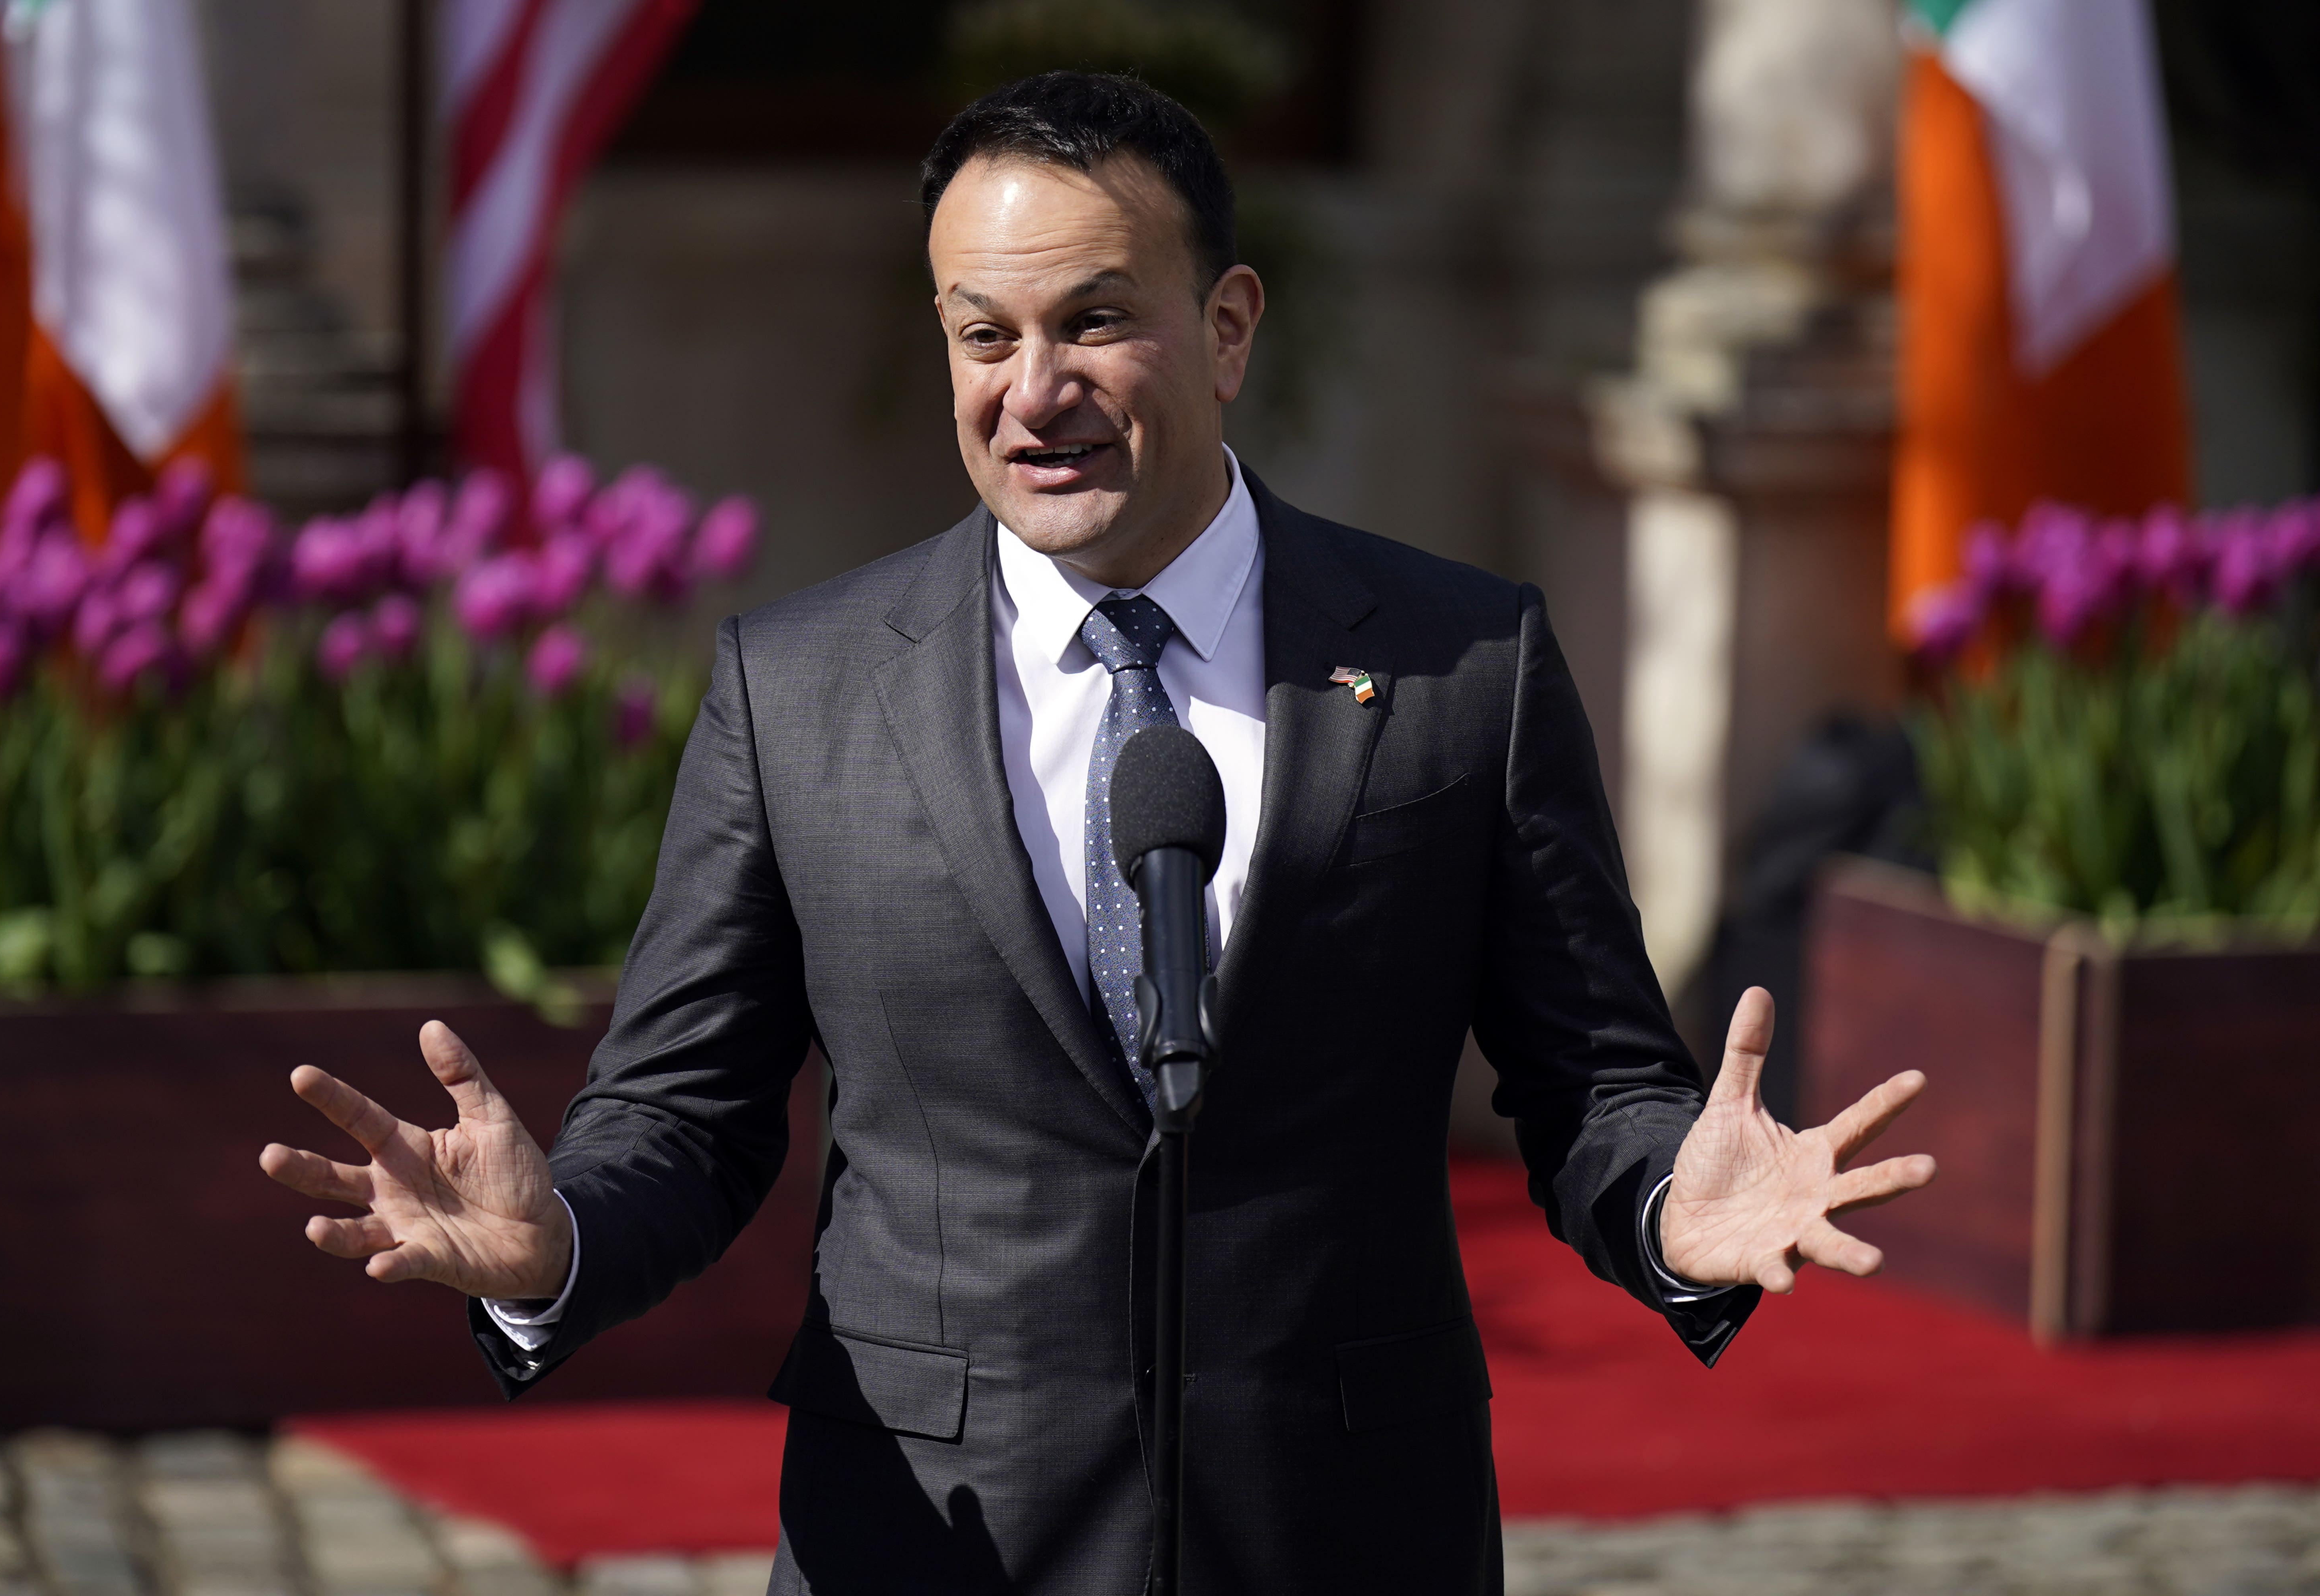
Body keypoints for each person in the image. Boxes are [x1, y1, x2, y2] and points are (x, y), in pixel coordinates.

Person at [260, 72, 1936, 1595]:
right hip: (933, 1538)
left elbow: (1588, 1083)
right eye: (983, 336)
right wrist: (554, 1241)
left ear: (1227, 330)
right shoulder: (803, 687)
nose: (1033, 391)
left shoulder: (1461, 665)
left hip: (1342, 1532)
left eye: (1095, 324)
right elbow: (688, 1117)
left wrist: (1665, 1205)